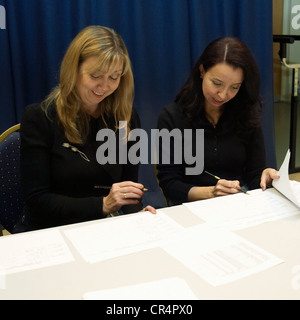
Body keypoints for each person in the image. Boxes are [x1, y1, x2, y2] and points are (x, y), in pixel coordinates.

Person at [14, 25, 156, 232]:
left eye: (114, 77)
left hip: (102, 229)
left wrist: (137, 214)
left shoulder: (126, 118)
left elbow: (128, 188)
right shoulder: (39, 117)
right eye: (96, 76)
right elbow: (38, 202)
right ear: (74, 70)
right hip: (51, 231)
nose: (104, 87)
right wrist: (104, 204)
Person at [156, 36, 279, 206]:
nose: (223, 94)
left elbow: (254, 174)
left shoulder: (245, 114)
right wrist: (211, 193)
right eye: (217, 83)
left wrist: (266, 178)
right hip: (190, 209)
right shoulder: (172, 117)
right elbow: (170, 184)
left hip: (237, 205)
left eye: (234, 87)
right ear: (201, 71)